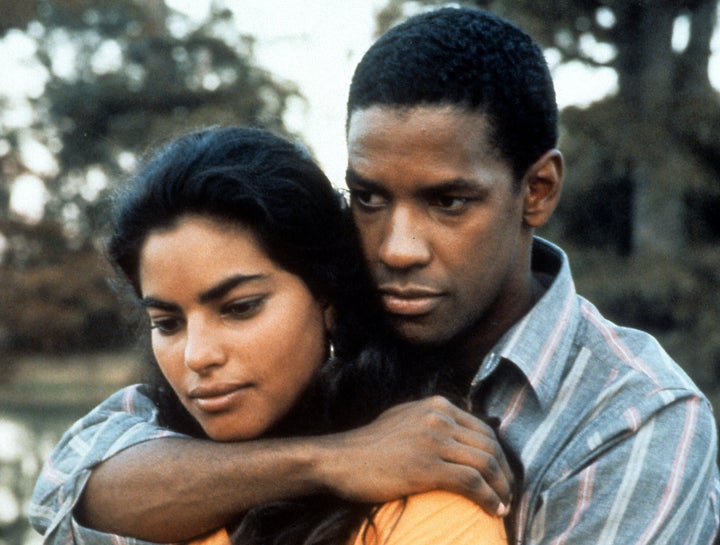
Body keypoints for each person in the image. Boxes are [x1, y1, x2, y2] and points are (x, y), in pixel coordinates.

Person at [31, 6, 720, 544]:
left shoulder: (632, 414)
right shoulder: (315, 322)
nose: (395, 247)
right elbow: (76, 481)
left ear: (537, 190)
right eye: (369, 197)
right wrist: (335, 458)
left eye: (447, 202)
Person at [31, 124, 511, 545]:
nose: (197, 356)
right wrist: (336, 460)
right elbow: (63, 492)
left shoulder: (428, 503)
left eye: (240, 308)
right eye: (167, 323)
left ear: (328, 299)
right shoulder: (148, 431)